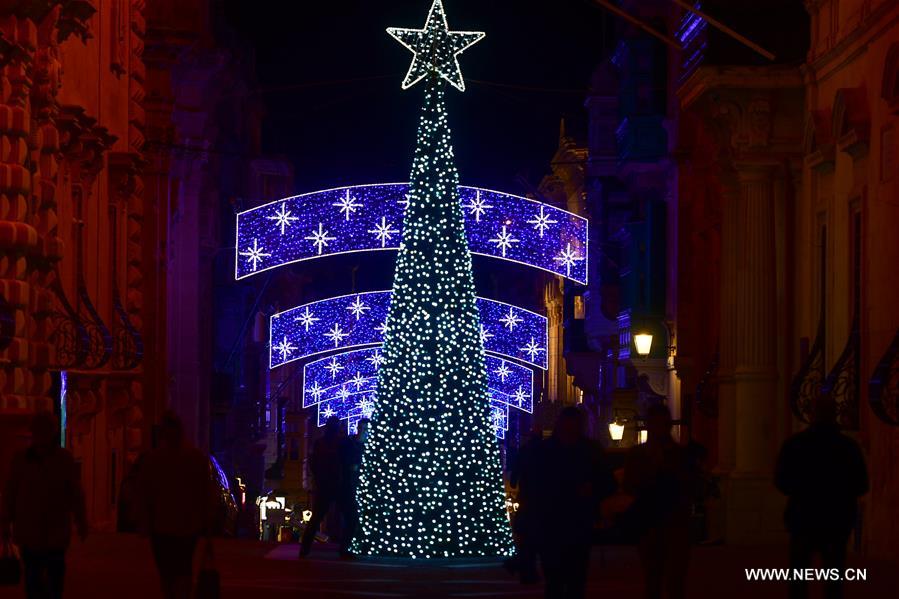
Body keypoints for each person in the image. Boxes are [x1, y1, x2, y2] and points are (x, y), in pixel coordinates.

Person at [775, 397, 868, 599]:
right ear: (834, 414)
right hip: (837, 519)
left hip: (802, 517)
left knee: (798, 576)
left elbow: (781, 481)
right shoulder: (848, 448)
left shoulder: (795, 445)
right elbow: (861, 484)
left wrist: (802, 491)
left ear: (811, 415)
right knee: (834, 578)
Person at [0, 412, 87, 599]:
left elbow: (75, 493)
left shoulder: (63, 459)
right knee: (33, 578)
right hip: (30, 531)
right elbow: (11, 492)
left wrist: (81, 519)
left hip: (54, 531)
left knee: (54, 576)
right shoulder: (21, 460)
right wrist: (5, 520)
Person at [535, 407, 615, 599]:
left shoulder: (550, 450)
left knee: (571, 580)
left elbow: (607, 483)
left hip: (572, 521)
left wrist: (592, 489)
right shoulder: (584, 450)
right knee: (562, 580)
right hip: (558, 522)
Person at [138, 410, 217, 599]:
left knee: (169, 570)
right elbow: (205, 492)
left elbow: (145, 493)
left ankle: (173, 594)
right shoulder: (195, 458)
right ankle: (179, 594)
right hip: (185, 525)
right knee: (182, 568)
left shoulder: (154, 459)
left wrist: (144, 521)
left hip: (164, 525)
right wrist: (207, 522)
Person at [623, 404, 696, 599]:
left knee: (674, 579)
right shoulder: (639, 455)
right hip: (651, 522)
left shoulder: (680, 455)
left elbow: (690, 485)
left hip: (674, 522)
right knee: (653, 578)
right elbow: (630, 485)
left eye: (660, 424)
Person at [300, 416, 345, 557]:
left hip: (324, 484)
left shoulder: (320, 443)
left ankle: (305, 549)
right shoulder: (339, 443)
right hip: (336, 483)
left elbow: (313, 463)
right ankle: (343, 547)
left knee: (317, 517)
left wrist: (318, 478)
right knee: (346, 516)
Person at [506, 427, 543, 584]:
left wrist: (514, 481)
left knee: (526, 534)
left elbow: (516, 471)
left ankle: (525, 568)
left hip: (527, 496)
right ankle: (528, 568)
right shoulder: (545, 450)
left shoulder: (525, 450)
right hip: (541, 497)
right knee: (536, 534)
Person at [338, 418, 369, 557]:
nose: (362, 431)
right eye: (361, 428)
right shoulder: (350, 444)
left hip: (362, 487)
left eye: (365, 429)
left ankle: (355, 545)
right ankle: (345, 547)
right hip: (349, 487)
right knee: (351, 518)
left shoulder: (368, 446)